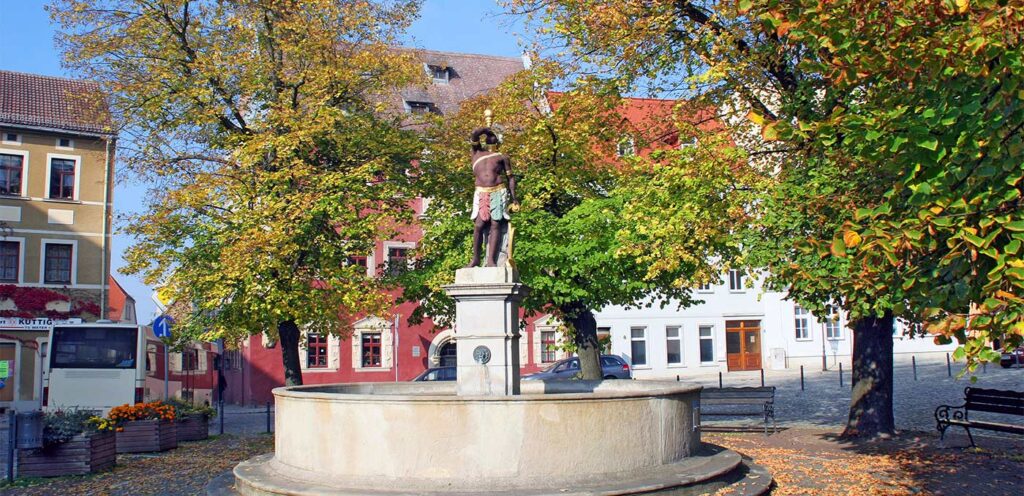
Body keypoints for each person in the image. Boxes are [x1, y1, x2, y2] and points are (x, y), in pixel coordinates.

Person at [467, 127, 517, 267]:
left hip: (498, 191)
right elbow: (474, 133)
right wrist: (486, 130)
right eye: (489, 137)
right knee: (478, 225)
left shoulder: (502, 157)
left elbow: (511, 178)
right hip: (481, 192)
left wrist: (514, 198)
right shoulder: (476, 152)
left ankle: (491, 260)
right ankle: (475, 259)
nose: (491, 138)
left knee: (495, 224)